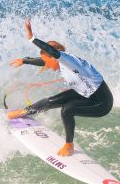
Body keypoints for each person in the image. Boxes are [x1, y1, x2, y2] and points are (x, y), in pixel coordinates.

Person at [7, 20, 113, 157]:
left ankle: (69, 145)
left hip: (101, 102)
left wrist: (31, 38)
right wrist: (25, 60)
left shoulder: (65, 59)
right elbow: (44, 60)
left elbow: (51, 53)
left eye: (47, 61)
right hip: (85, 93)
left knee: (67, 109)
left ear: (54, 56)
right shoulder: (64, 60)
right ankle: (23, 112)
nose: (47, 66)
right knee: (51, 101)